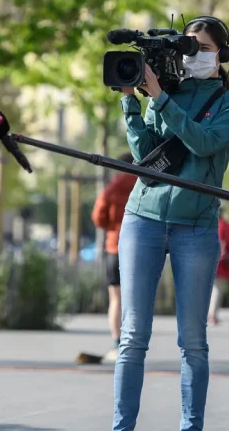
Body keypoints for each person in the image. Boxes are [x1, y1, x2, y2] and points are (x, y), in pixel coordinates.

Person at [114, 15, 229, 431]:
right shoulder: (167, 93)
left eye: (203, 48)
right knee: (132, 337)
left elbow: (204, 143)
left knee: (193, 342)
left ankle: (191, 427)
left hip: (197, 227)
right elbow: (146, 163)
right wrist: (130, 101)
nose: (193, 55)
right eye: (188, 47)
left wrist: (158, 98)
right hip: (144, 218)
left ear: (222, 56)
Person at [91, 152, 139, 362]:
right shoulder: (143, 182)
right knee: (137, 298)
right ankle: (135, 342)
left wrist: (112, 228)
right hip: (139, 245)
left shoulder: (111, 187)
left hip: (115, 247)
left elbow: (98, 216)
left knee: (116, 298)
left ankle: (117, 343)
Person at [207, 213, 229, 326]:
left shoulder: (205, 224)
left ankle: (204, 314)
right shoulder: (226, 226)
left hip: (205, 261)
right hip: (220, 263)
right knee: (217, 289)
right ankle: (212, 315)